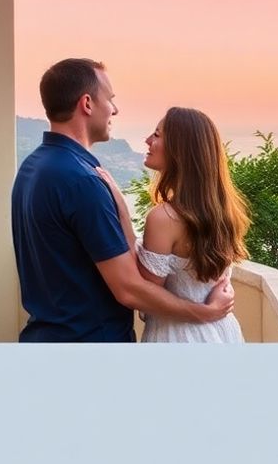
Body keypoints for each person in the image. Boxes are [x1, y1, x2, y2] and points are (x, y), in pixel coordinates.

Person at [11, 59, 234, 342]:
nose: (114, 109)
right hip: (91, 345)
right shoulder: (82, 181)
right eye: (110, 99)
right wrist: (204, 313)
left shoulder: (33, 167)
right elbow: (130, 289)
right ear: (87, 104)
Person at [96, 106, 249, 343]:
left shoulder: (165, 217)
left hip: (179, 337)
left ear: (180, 150)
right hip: (222, 332)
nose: (148, 140)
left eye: (157, 135)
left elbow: (143, 291)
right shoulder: (224, 211)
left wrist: (122, 211)